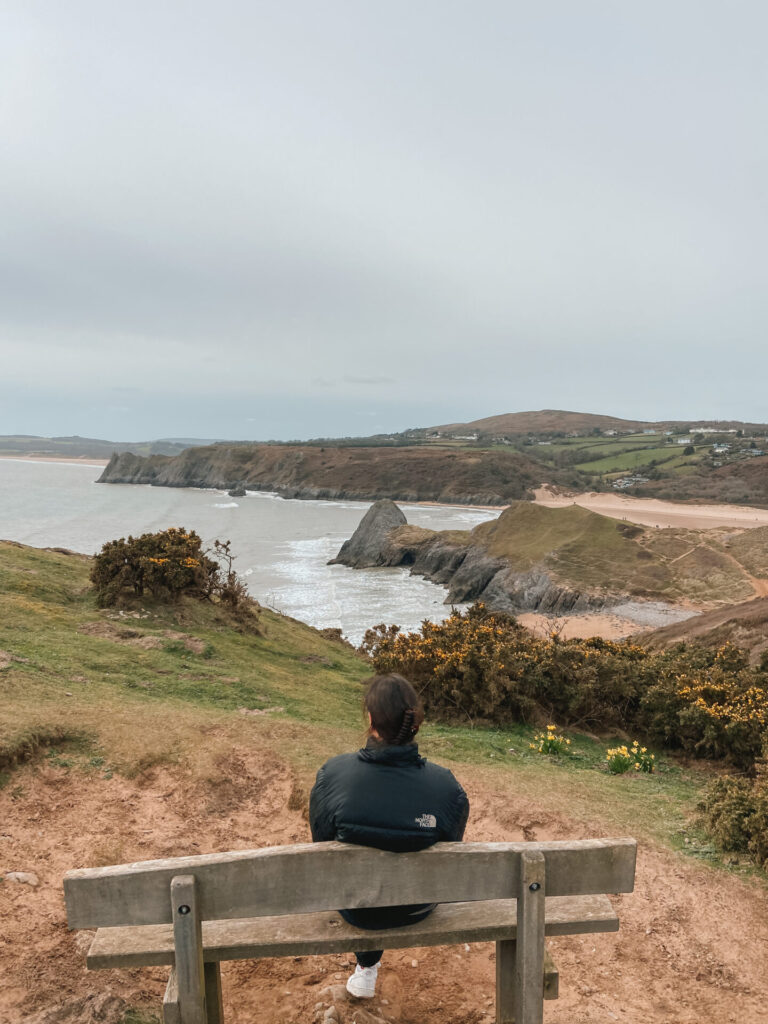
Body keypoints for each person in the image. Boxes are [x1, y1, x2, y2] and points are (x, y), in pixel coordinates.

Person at [309, 673, 470, 998]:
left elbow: (322, 849)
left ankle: (366, 968)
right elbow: (449, 853)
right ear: (417, 723)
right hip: (417, 906)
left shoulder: (332, 776)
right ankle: (367, 968)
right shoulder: (447, 789)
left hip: (356, 909)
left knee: (364, 885)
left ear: (369, 720)